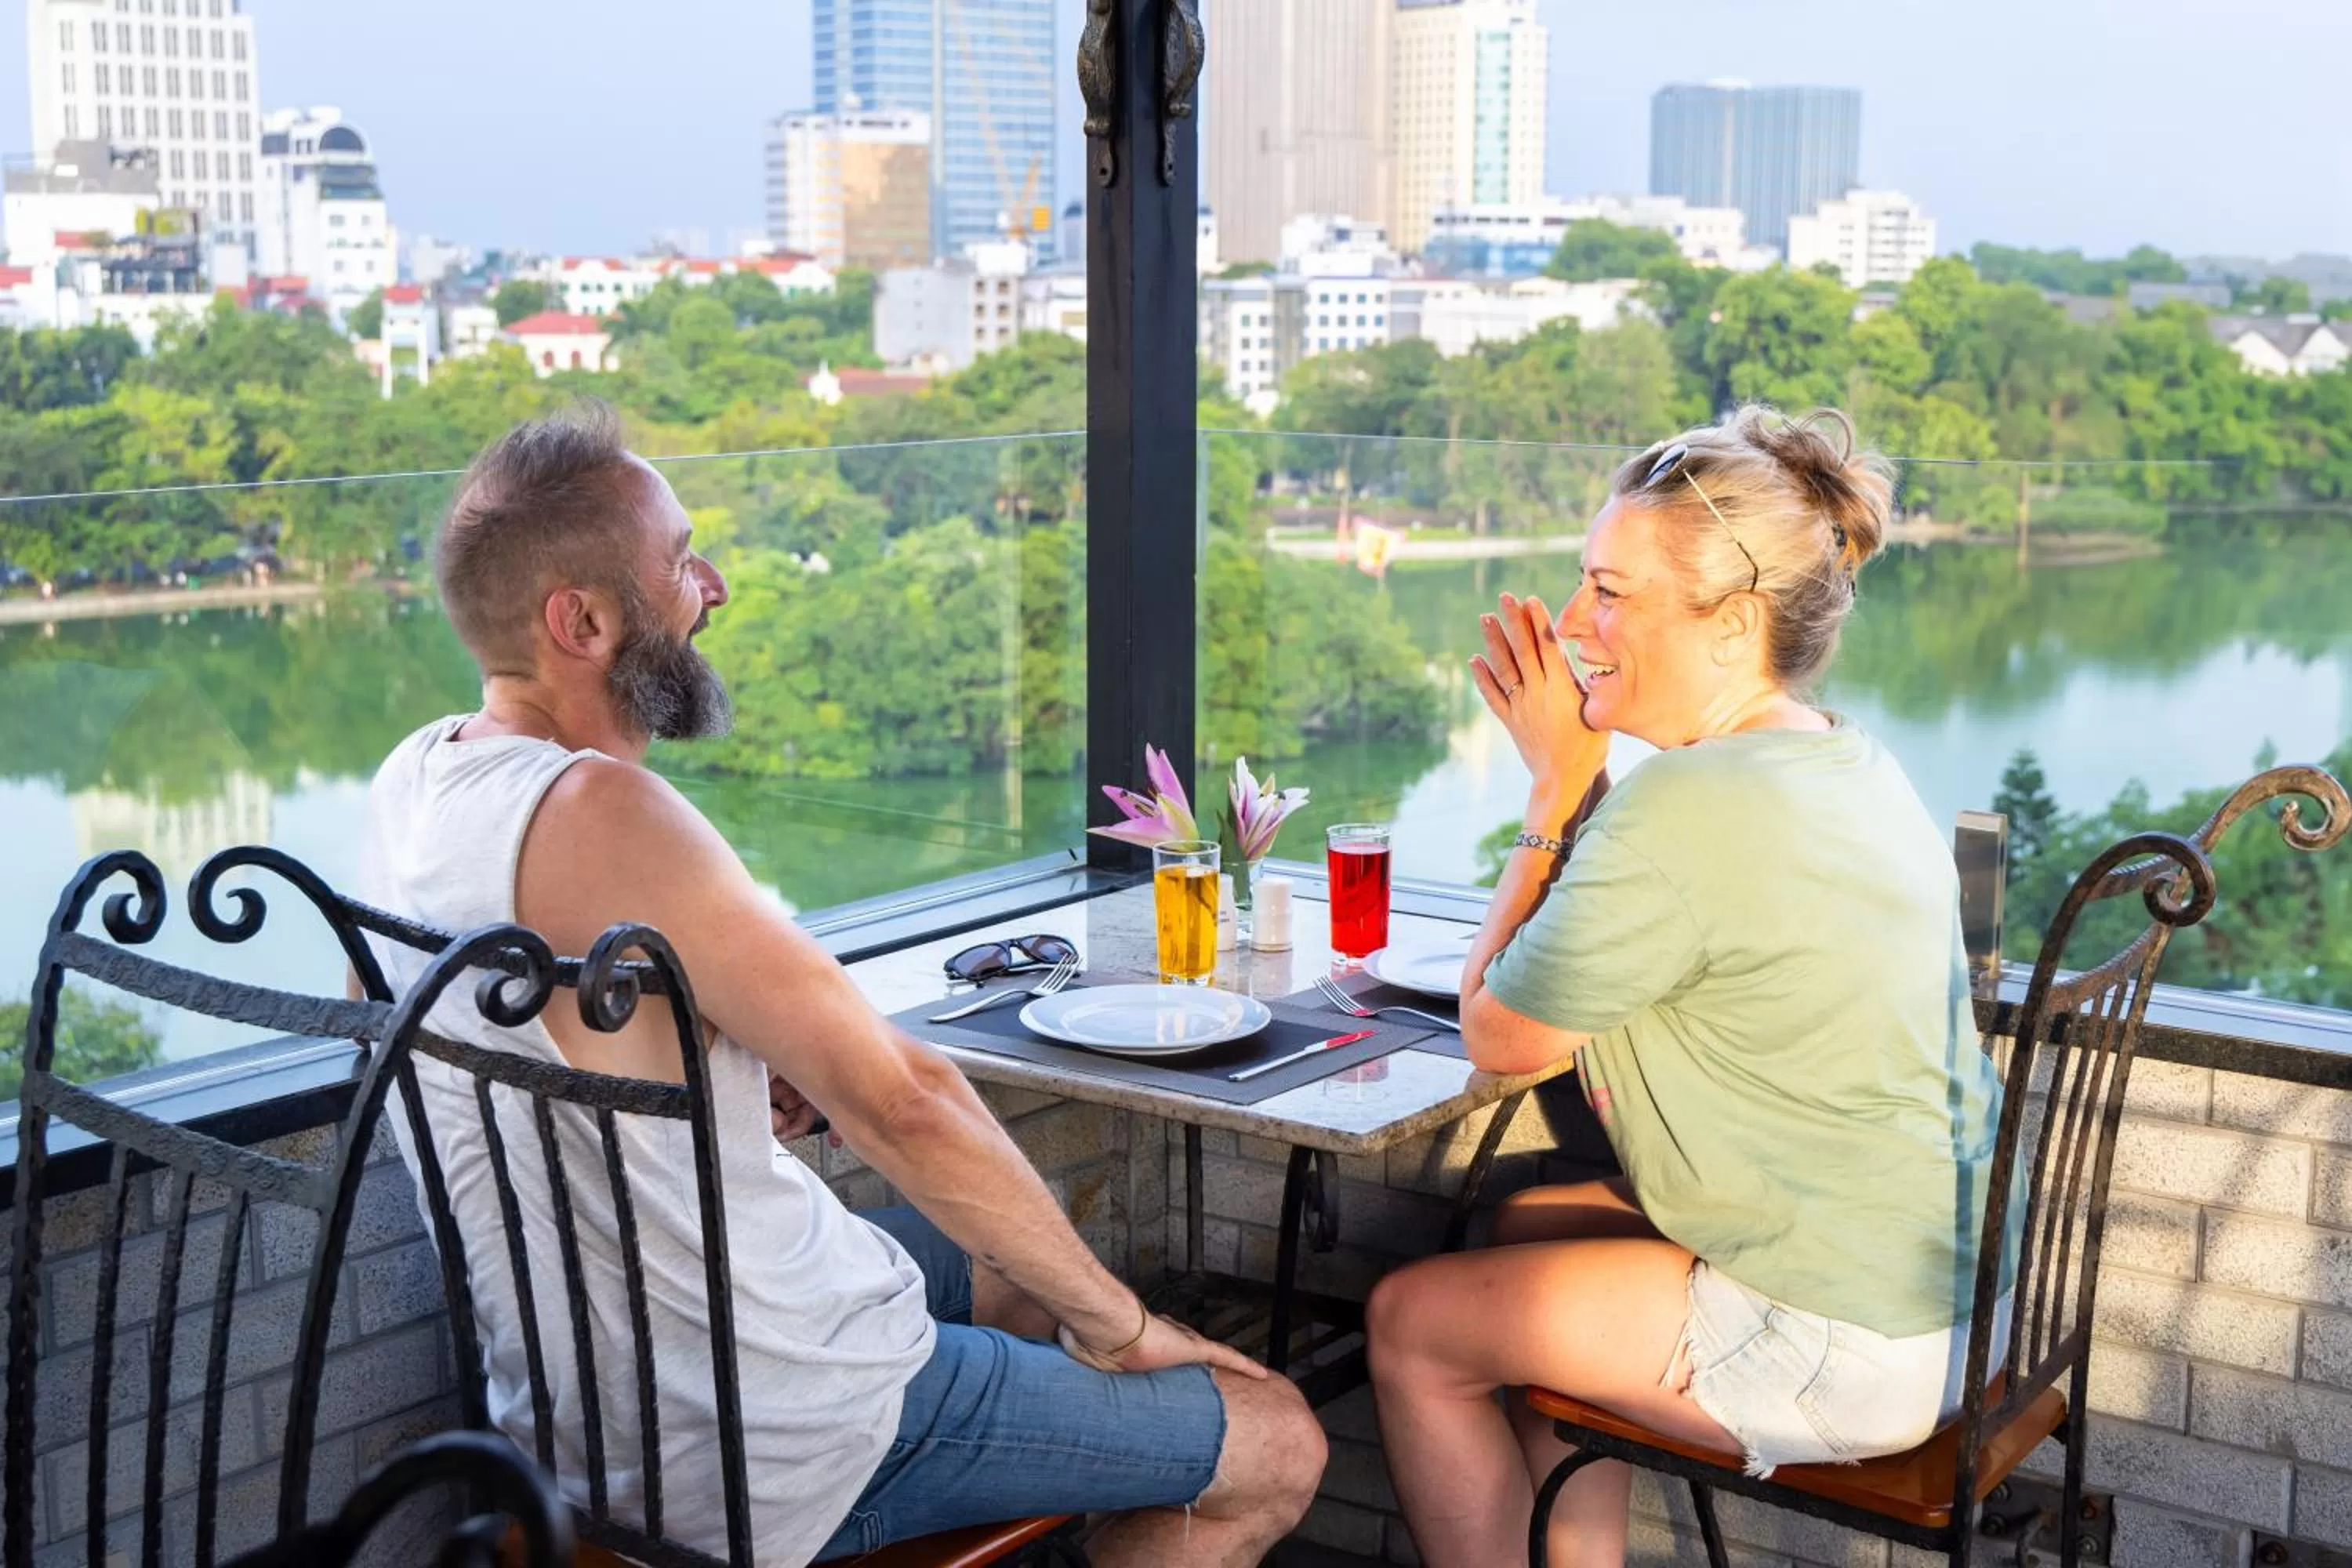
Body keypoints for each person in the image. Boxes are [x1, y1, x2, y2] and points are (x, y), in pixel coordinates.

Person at [357, 402, 1326, 1567]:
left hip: (568, 1412)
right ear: (585, 620)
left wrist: (715, 1066)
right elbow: (904, 1098)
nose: (710, 585)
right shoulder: (602, 809)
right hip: (756, 1434)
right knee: (1277, 1440)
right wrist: (1126, 1333)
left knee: (1020, 1271)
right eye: (680, 560)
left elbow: (569, 1041)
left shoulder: (417, 781)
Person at [1363, 406, 2018, 1568]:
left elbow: (1499, 1035)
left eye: (1611, 593)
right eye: (1582, 584)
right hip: (1956, 1304)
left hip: (1848, 1338)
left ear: (1731, 625)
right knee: (1520, 1226)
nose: (1572, 625)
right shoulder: (1838, 754)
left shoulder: (1685, 802)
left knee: (1411, 1326)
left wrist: (1556, 789)